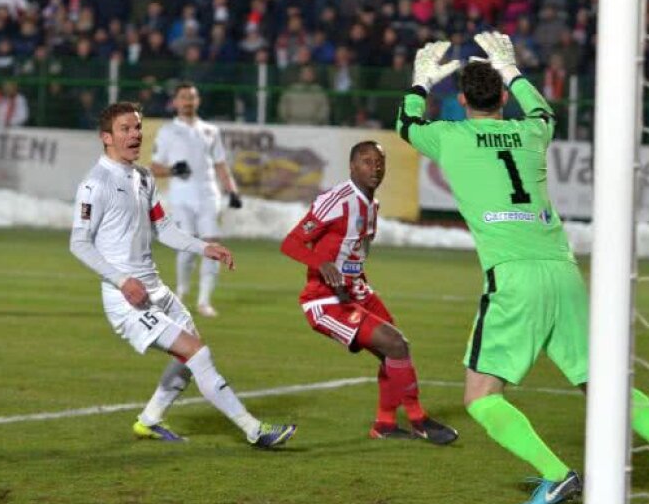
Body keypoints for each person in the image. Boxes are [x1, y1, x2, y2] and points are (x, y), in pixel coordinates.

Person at [396, 32, 649, 504]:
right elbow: (544, 112)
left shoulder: (450, 137)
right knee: (604, 386)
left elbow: (406, 123)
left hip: (514, 277)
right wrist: (513, 71)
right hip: (564, 274)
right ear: (503, 98)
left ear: (462, 102)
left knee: (481, 398)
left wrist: (420, 82)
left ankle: (557, 474)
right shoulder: (531, 133)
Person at [70, 101, 296, 447]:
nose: (134, 134)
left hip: (156, 289)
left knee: (189, 358)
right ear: (106, 137)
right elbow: (79, 243)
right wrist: (121, 280)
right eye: (125, 129)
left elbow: (163, 228)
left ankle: (150, 419)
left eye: (137, 127)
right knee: (198, 354)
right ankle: (254, 430)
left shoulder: (144, 177)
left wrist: (204, 247)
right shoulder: (95, 184)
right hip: (127, 299)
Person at [280, 141, 458, 445]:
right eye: (366, 161)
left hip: (355, 292)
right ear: (352, 166)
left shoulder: (371, 205)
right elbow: (291, 242)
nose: (374, 168)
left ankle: (385, 425)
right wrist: (321, 263)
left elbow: (353, 255)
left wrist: (358, 285)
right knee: (395, 344)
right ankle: (419, 420)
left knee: (396, 349)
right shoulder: (337, 200)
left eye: (379, 162)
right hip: (325, 299)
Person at [149, 84, 242, 318]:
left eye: (191, 97)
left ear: (197, 101)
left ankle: (204, 301)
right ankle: (181, 292)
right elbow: (155, 167)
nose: (188, 102)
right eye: (183, 98)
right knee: (188, 246)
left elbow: (220, 164)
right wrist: (172, 170)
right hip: (182, 198)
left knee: (212, 244)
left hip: (209, 195)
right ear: (175, 102)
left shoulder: (210, 130)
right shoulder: (167, 131)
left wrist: (232, 190)